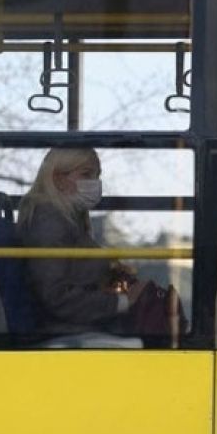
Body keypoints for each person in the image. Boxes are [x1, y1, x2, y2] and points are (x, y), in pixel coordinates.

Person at [17, 148, 181, 345]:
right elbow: (55, 296)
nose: (95, 183)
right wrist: (123, 301)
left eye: (97, 175)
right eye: (86, 174)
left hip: (79, 326)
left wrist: (110, 272)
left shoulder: (70, 218)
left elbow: (75, 272)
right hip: (65, 331)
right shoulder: (48, 221)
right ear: (59, 179)